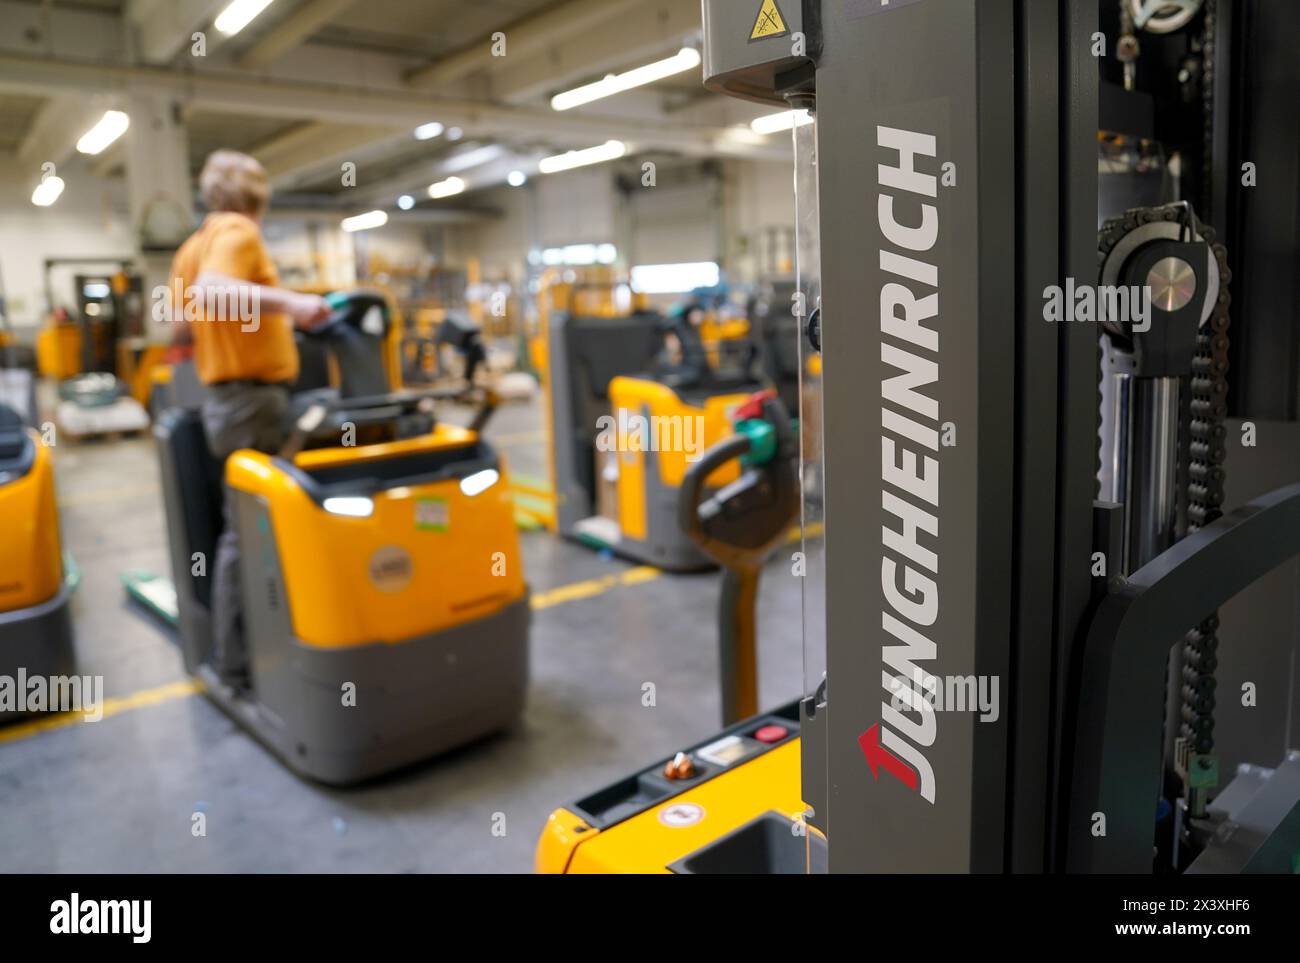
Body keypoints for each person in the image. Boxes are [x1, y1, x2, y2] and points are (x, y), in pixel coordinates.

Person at [167, 150, 331, 690]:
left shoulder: (194, 246)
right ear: (257, 197)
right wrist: (294, 305)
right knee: (255, 527)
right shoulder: (238, 231)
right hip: (253, 401)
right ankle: (241, 660)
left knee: (243, 524)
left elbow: (182, 322)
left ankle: (238, 652)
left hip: (224, 399)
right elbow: (216, 294)